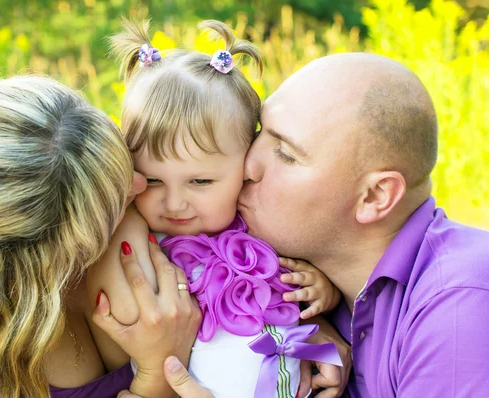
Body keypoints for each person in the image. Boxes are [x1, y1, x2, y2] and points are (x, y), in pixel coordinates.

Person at [125, 52, 489, 397]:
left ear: (375, 197)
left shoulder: (459, 311)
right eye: (258, 134)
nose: (247, 166)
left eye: (285, 153)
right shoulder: (312, 277)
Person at [0, 75, 201, 398]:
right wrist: (160, 377)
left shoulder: (130, 235)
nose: (140, 184)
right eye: (111, 202)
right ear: (51, 249)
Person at [87, 19, 344, 398]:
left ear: (247, 165)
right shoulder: (139, 241)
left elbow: (294, 300)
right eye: (153, 180)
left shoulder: (263, 223)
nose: (174, 204)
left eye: (201, 182)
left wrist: (323, 295)